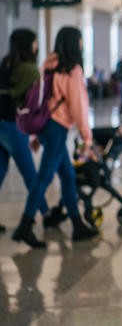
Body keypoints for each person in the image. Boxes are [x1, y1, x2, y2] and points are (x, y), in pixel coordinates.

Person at [12, 26, 99, 248]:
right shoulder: (72, 71)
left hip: (45, 127)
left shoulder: (48, 66)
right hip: (57, 128)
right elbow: (79, 106)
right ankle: (25, 224)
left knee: (68, 176)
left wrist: (36, 135)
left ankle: (77, 224)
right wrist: (86, 138)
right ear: (75, 43)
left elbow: (40, 101)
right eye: (79, 40)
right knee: (45, 177)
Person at [0, 29, 61, 233]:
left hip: (1, 123)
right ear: (29, 45)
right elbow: (34, 101)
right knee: (30, 173)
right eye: (35, 42)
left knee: (0, 171)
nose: (37, 46)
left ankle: (45, 212)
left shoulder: (6, 64)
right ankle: (45, 214)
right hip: (13, 126)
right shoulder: (29, 69)